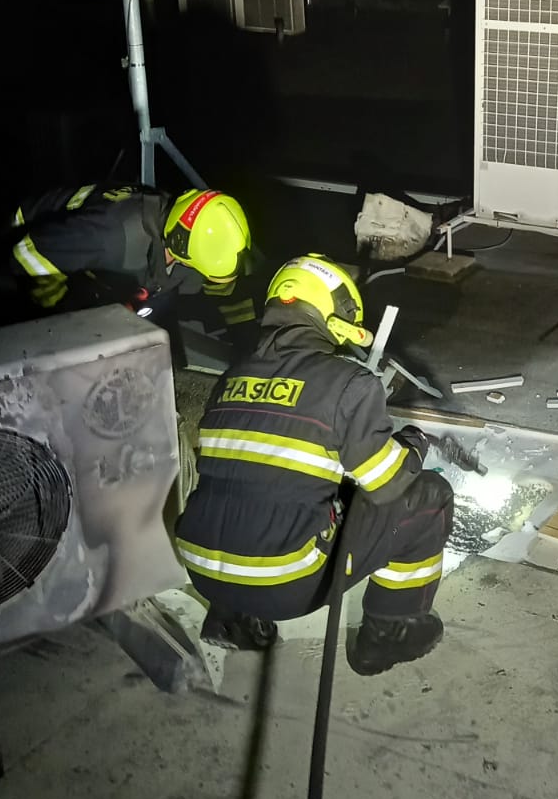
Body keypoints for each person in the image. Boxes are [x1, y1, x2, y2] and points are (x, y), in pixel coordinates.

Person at [174, 253, 453, 673]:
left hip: (202, 570)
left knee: (274, 488)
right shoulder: (348, 382)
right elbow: (389, 485)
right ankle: (389, 633)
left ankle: (235, 617)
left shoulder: (232, 378)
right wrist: (413, 442)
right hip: (286, 585)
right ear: (332, 317)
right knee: (431, 496)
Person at [9, 184, 259, 341]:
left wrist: (247, 339)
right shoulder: (115, 236)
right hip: (29, 234)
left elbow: (225, 289)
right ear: (183, 252)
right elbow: (27, 253)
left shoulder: (187, 229)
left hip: (89, 249)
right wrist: (65, 315)